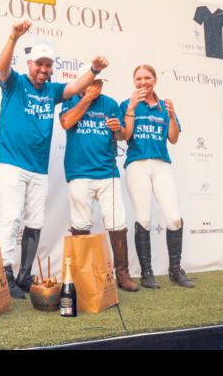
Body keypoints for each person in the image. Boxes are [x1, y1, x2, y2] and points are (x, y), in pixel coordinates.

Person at [0, 20, 109, 298]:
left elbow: (74, 87)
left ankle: (23, 276)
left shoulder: (52, 91)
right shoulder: (15, 83)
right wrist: (13, 37)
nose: (44, 70)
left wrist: (93, 70)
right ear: (30, 63)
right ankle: (4, 275)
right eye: (39, 65)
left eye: (48, 66)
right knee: (11, 217)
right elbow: (2, 67)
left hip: (38, 167)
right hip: (10, 161)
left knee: (35, 220)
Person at [59, 73, 139, 292]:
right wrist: (86, 99)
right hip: (79, 173)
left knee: (117, 223)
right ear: (84, 83)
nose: (98, 87)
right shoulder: (71, 99)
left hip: (107, 172)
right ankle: (82, 275)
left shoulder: (110, 104)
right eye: (93, 83)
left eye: (100, 83)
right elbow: (66, 122)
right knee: (80, 224)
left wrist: (117, 129)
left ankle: (122, 274)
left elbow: (122, 136)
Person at [119, 64, 194, 289]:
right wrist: (131, 108)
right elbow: (126, 135)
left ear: (154, 80)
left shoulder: (164, 106)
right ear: (134, 81)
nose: (143, 82)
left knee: (174, 218)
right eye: (139, 79)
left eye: (147, 78)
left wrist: (171, 116)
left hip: (162, 166)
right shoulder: (127, 104)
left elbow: (173, 138)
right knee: (143, 218)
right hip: (137, 166)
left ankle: (175, 270)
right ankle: (147, 272)